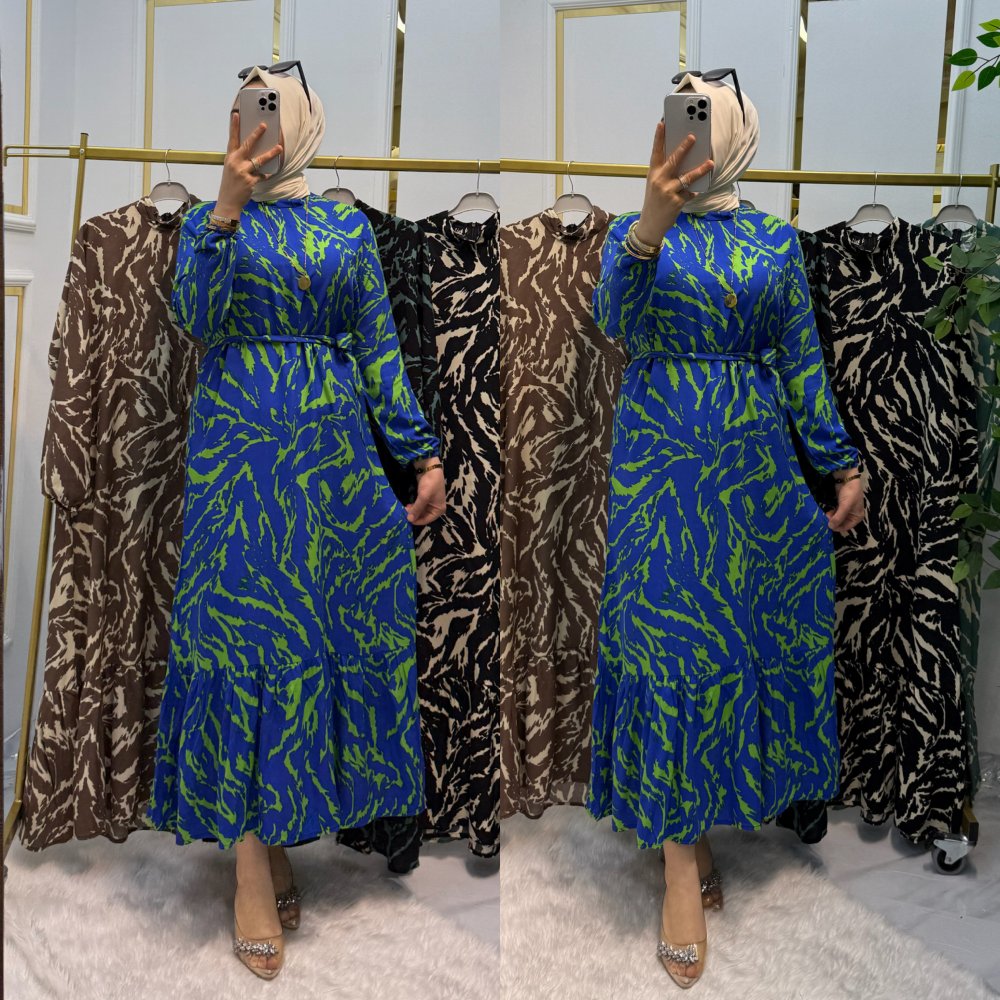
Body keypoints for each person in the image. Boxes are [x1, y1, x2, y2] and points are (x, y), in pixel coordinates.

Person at [144, 64, 446, 979]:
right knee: (243, 640)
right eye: (245, 110)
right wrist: (227, 204)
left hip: (330, 472)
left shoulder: (344, 228)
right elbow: (195, 317)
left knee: (307, 637)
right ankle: (247, 860)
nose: (259, 125)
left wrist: (421, 454)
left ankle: (272, 833)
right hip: (238, 464)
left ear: (306, 120)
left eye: (274, 109)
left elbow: (378, 348)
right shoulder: (209, 224)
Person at [585, 72, 864, 989]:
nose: (688, 137)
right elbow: (614, 324)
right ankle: (677, 863)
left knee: (730, 644)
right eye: (676, 120)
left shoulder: (775, 243)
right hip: (662, 476)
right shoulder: (636, 234)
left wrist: (841, 464)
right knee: (671, 648)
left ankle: (699, 821)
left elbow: (801, 363)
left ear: (736, 134)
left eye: (705, 122)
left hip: (753, 481)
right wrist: (650, 221)